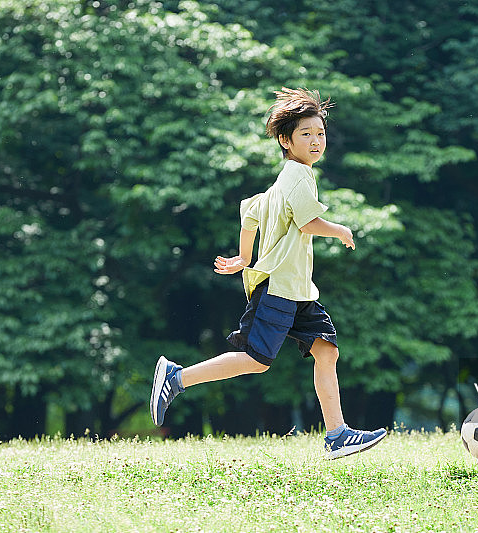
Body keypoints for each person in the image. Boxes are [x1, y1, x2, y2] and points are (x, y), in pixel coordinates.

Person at [150, 87, 386, 459]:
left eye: (320, 133)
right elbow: (308, 223)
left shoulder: (285, 179)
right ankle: (176, 378)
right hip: (278, 288)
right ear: (284, 139)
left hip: (298, 290)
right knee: (257, 362)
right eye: (305, 134)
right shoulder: (298, 176)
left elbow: (251, 211)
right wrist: (339, 229)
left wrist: (244, 257)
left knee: (326, 352)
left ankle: (337, 434)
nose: (315, 141)